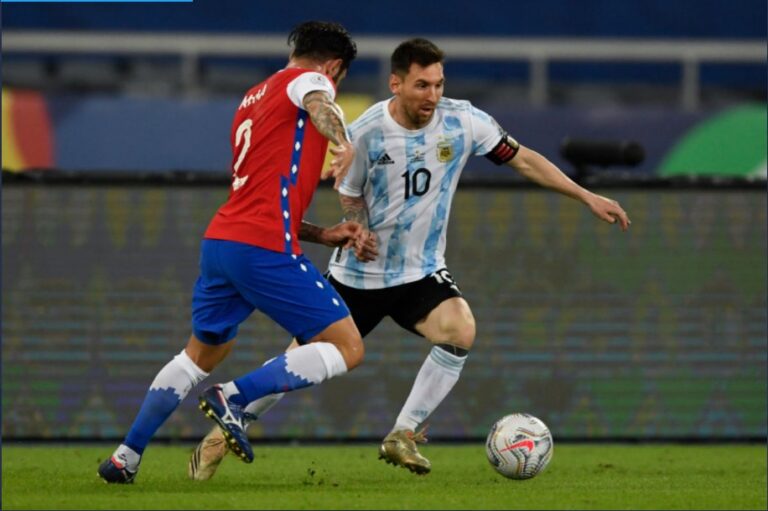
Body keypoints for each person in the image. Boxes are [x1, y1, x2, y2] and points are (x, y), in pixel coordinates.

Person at [188, 37, 630, 480]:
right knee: (298, 363)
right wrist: (358, 228)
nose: (432, 95)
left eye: (438, 84)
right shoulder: (366, 131)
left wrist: (586, 195)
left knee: (460, 328)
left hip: (420, 272)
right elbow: (350, 194)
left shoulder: (464, 121)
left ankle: (402, 434)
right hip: (358, 277)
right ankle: (221, 432)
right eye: (422, 85)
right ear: (396, 84)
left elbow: (524, 160)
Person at [98, 20, 373, 484]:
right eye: (338, 78)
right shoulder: (311, 81)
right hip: (262, 246)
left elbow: (258, 193)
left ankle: (125, 458)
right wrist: (344, 143)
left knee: (199, 355)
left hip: (223, 241)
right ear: (333, 67)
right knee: (348, 347)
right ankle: (234, 398)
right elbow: (319, 101)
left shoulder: (252, 98)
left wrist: (321, 233)